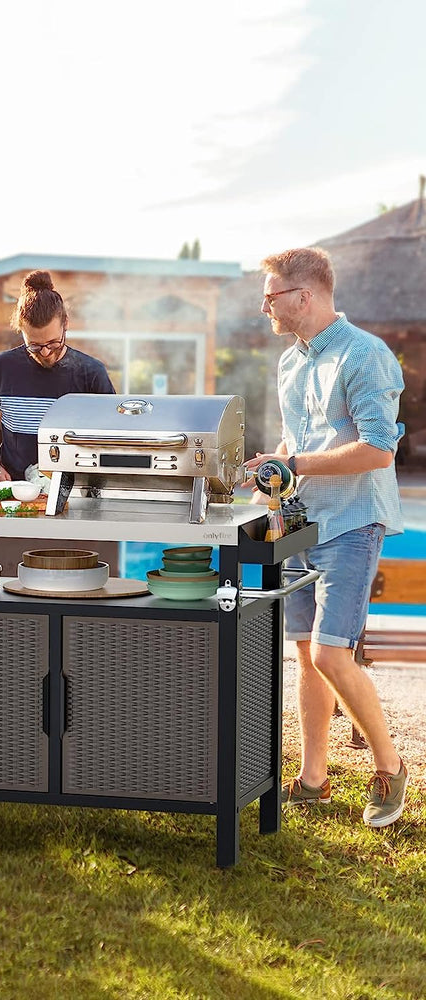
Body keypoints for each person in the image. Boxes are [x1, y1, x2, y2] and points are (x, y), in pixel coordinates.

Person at [244, 246, 408, 828]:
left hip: (353, 522)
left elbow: (378, 448)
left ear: (303, 295)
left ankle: (390, 768)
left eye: (272, 294)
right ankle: (315, 778)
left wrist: (300, 467)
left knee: (332, 652)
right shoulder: (290, 363)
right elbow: (296, 446)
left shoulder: (366, 355)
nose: (265, 304)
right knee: (307, 657)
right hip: (301, 522)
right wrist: (271, 476)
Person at [0, 269, 114, 483]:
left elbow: (112, 435)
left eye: (54, 343)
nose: (46, 353)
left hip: (75, 495)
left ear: (65, 323)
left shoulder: (91, 373)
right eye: (34, 346)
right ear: (21, 330)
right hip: (15, 494)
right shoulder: (2, 366)